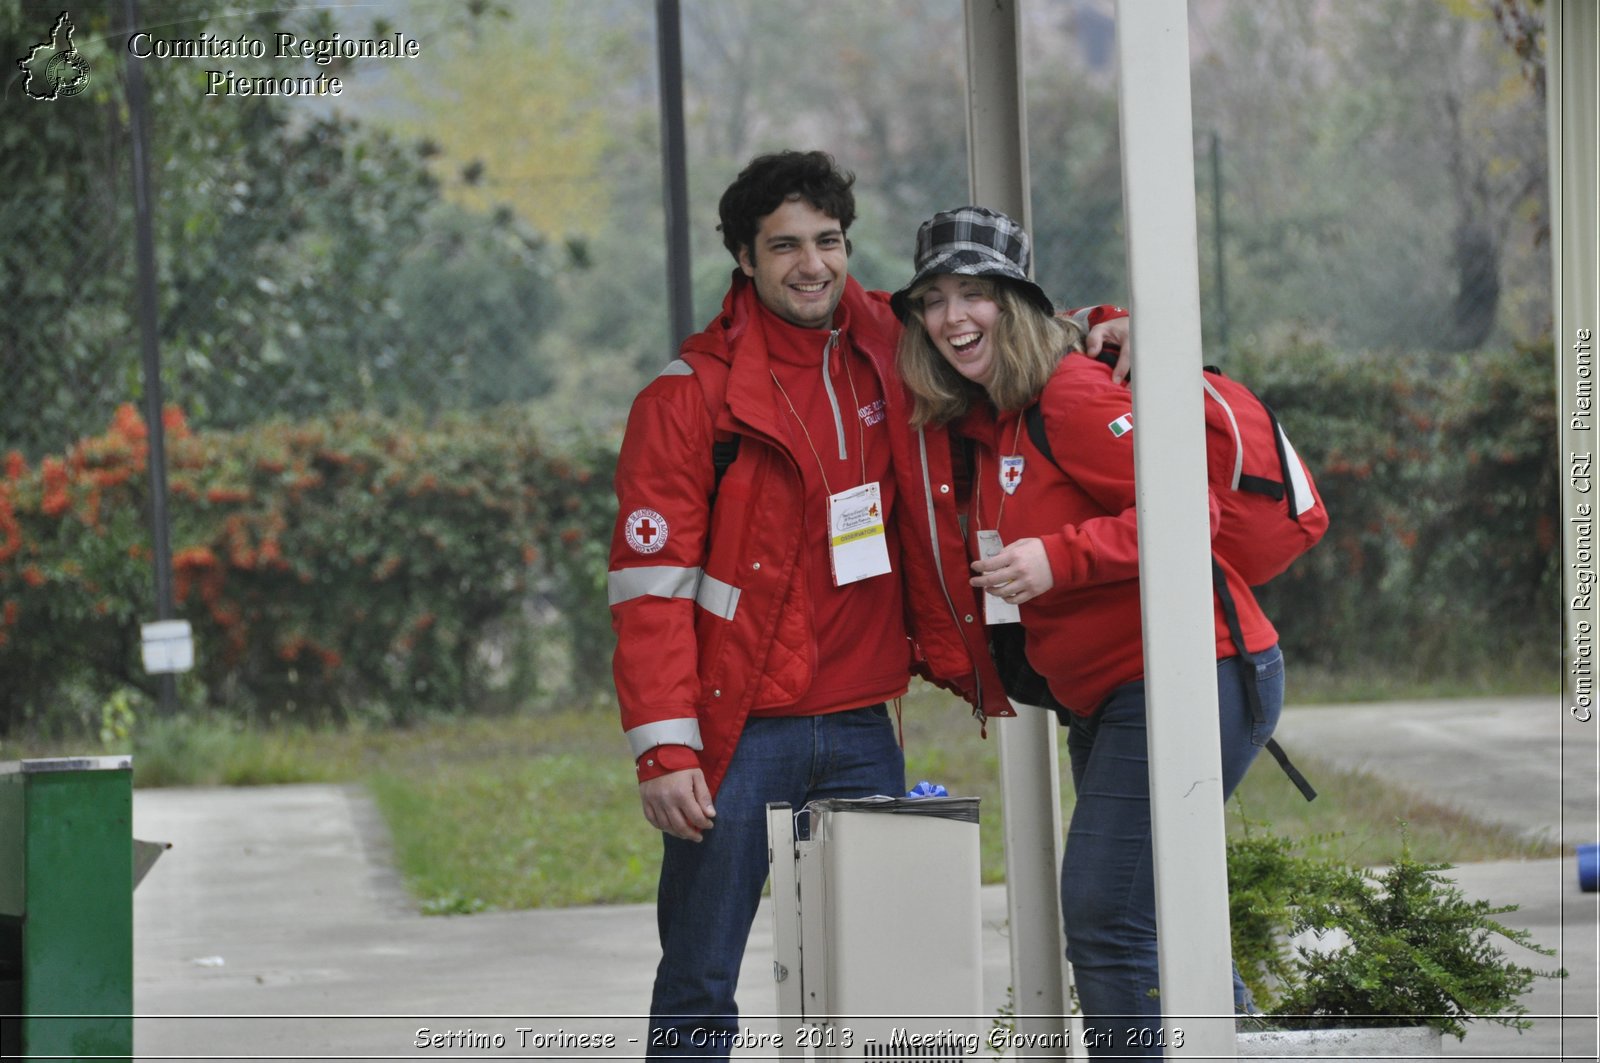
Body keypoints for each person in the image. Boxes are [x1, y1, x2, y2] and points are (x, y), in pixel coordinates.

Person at [608, 153, 1127, 1058]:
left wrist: (1115, 324)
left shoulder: (897, 343)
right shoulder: (686, 398)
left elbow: (1004, 329)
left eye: (828, 241)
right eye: (784, 247)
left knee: (879, 973)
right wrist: (664, 744)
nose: (811, 264)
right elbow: (648, 592)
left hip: (861, 718)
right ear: (742, 257)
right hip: (738, 732)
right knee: (699, 972)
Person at [892, 205, 1282, 1058]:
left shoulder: (1066, 395)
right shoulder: (988, 416)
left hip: (1191, 675)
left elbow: (1190, 510)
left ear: (1017, 303)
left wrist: (1056, 561)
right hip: (1103, 698)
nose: (953, 317)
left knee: (1107, 916)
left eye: (976, 293)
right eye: (934, 299)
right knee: (1155, 912)